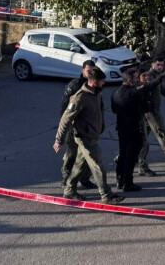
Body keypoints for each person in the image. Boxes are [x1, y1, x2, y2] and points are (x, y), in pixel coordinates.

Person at [53, 62, 124, 204]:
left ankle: (69, 191)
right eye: (102, 81)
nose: (104, 84)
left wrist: (100, 128)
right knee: (98, 167)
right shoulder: (79, 97)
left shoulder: (97, 93)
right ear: (94, 82)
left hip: (93, 136)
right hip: (83, 138)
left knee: (79, 166)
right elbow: (65, 119)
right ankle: (106, 195)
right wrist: (59, 140)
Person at [111, 68, 164, 192]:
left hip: (121, 128)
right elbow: (150, 86)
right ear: (130, 80)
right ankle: (128, 183)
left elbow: (114, 110)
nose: (137, 80)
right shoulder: (133, 92)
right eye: (135, 78)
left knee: (123, 154)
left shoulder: (115, 93)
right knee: (131, 157)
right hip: (133, 129)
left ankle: (120, 180)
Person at [58, 61, 101, 190]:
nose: (90, 73)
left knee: (88, 156)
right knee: (72, 154)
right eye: (88, 70)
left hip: (89, 129)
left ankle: (84, 179)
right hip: (74, 128)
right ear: (83, 71)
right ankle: (66, 178)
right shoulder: (74, 85)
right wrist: (66, 129)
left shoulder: (95, 87)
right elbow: (65, 108)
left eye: (92, 70)